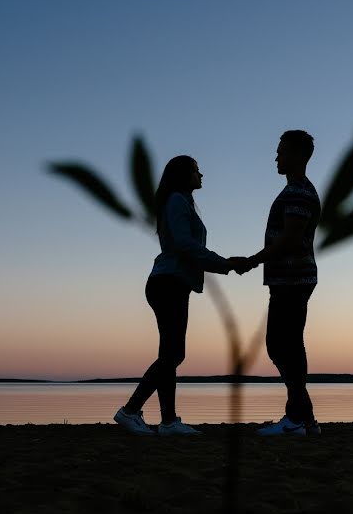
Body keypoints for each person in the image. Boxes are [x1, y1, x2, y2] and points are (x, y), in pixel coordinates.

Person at [114, 155, 248, 436]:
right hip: (168, 283)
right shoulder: (176, 200)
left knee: (171, 354)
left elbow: (187, 246)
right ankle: (130, 411)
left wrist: (222, 264)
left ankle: (168, 421)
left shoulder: (181, 202)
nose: (201, 176)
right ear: (183, 174)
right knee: (173, 354)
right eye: (197, 171)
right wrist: (223, 264)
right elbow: (185, 244)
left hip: (173, 283)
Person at [241, 130, 322, 436]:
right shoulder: (298, 190)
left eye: (282, 151)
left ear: (299, 156)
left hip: (293, 278)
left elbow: (289, 240)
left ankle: (297, 419)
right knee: (288, 344)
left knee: (279, 344)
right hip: (291, 277)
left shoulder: (298, 193)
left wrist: (252, 260)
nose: (277, 157)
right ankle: (305, 419)